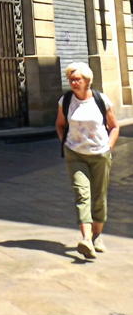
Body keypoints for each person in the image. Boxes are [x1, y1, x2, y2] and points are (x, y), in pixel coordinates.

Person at [55, 61, 119, 259]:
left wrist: (108, 146)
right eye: (71, 79)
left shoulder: (101, 100)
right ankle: (86, 238)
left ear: (87, 81)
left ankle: (97, 236)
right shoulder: (65, 101)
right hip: (75, 155)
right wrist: (65, 142)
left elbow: (114, 126)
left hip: (100, 154)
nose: (74, 83)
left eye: (77, 79)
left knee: (99, 197)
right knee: (82, 195)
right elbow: (59, 124)